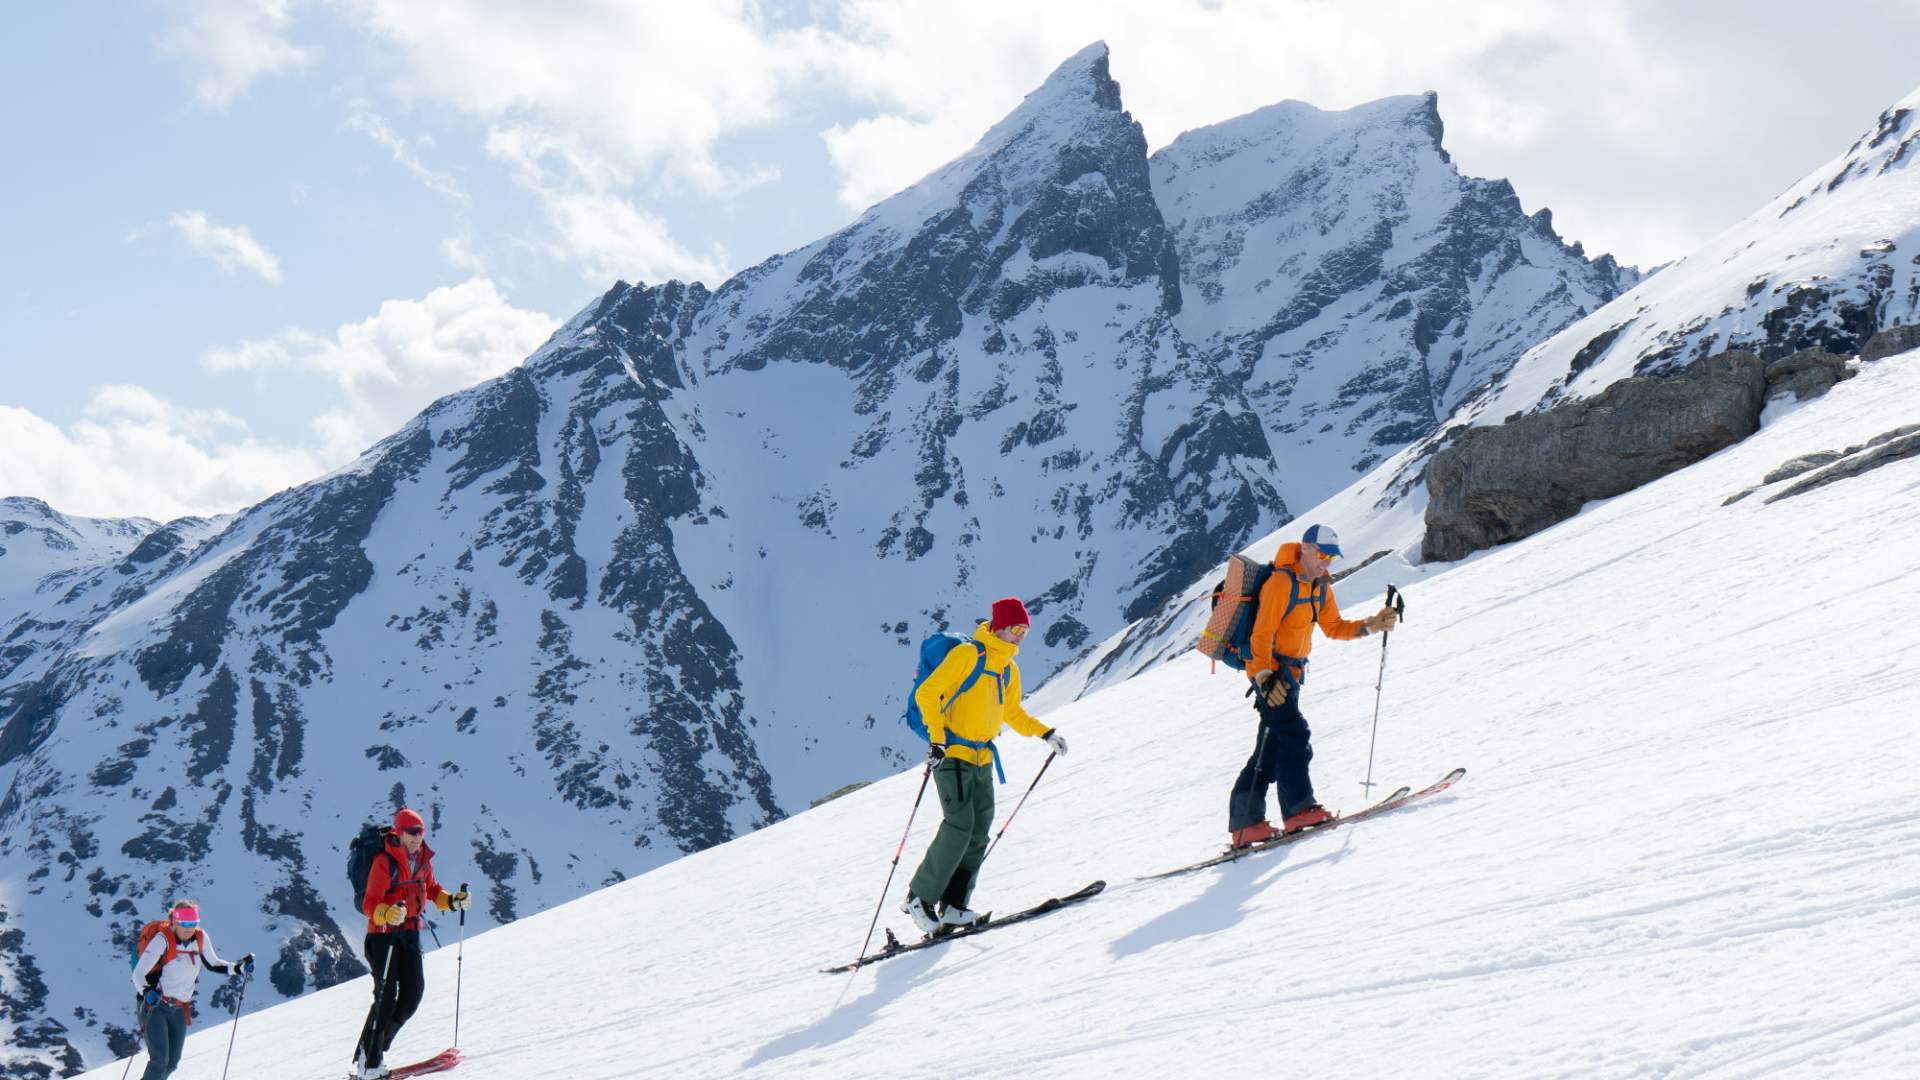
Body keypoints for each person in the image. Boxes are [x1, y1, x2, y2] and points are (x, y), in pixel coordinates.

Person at [899, 597, 1070, 935]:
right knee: (959, 825)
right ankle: (919, 898)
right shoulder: (968, 655)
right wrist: (937, 740)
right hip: (952, 755)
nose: (1020, 636)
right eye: (1016, 629)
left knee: (979, 831)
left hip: (983, 758)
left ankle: (954, 906)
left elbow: (1012, 713)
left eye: (1025, 631)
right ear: (999, 626)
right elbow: (927, 694)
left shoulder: (1008, 668)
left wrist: (1045, 733)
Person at [1229, 524, 1400, 848]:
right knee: (1295, 735)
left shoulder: (1320, 587)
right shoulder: (1280, 583)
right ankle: (1299, 810)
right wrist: (1263, 677)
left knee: (1271, 747)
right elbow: (1261, 634)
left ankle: (1246, 824)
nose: (1326, 562)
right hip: (1270, 675)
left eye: (1332, 557)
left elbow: (1333, 627)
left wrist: (1371, 625)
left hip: (1291, 676)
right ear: (1305, 549)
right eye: (1322, 554)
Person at [353, 808, 471, 1080]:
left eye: (420, 832)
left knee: (412, 995)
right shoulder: (385, 861)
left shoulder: (422, 860)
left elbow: (432, 889)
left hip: (409, 933)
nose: (417, 837)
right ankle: (369, 1062)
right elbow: (370, 903)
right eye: (411, 832)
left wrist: (452, 901)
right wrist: (386, 913)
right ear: (400, 832)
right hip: (383, 935)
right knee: (385, 998)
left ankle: (369, 1053)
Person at [129, 900, 253, 1080]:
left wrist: (238, 968)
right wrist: (147, 991)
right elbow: (138, 974)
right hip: (154, 1006)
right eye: (184, 923)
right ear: (174, 921)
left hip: (178, 1008)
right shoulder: (162, 940)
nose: (189, 928)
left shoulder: (200, 938)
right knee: (159, 1061)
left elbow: (213, 963)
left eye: (193, 923)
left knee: (172, 1062)